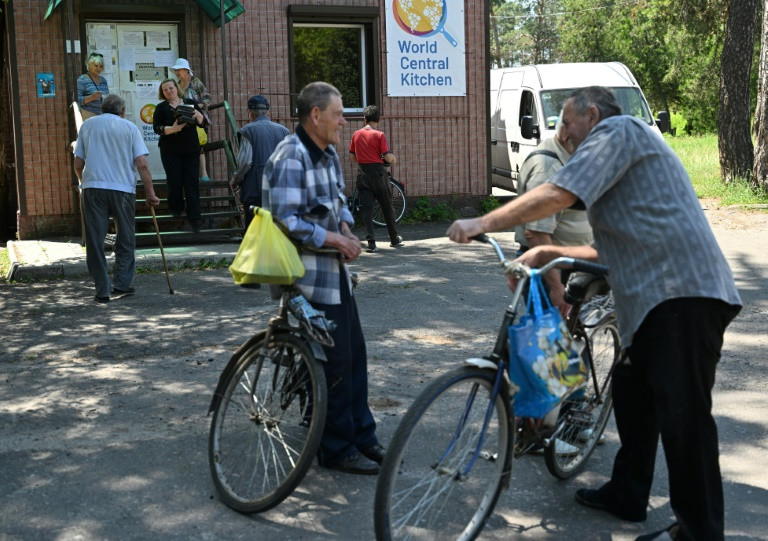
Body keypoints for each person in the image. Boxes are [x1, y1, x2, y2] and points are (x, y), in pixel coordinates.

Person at [447, 86, 742, 541]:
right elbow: (605, 249)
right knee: (629, 390)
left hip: (684, 294)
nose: (562, 134)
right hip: (657, 305)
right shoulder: (619, 175)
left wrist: (483, 222)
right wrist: (550, 252)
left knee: (685, 421)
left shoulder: (619, 129)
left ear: (591, 114)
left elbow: (557, 193)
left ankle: (699, 533)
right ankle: (628, 493)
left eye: (566, 122)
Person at [263, 81, 384, 475]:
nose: (343, 123)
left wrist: (347, 229)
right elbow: (285, 218)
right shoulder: (289, 155)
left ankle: (363, 436)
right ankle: (336, 449)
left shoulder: (328, 153)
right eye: (337, 114)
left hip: (335, 274)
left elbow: (338, 201)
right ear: (315, 115)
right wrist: (332, 238)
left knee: (355, 355)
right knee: (335, 364)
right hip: (306, 277)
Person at [73, 94, 160, 302]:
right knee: (126, 237)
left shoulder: (88, 126)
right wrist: (150, 193)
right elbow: (142, 164)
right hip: (122, 189)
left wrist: (83, 182)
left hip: (94, 188)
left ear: (102, 109)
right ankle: (121, 283)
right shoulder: (130, 128)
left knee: (95, 240)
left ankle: (102, 290)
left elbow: (78, 164)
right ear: (122, 111)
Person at [515, 115, 592, 316]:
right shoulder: (548, 169)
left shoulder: (569, 158)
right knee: (549, 340)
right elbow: (536, 233)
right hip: (550, 270)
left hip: (574, 264)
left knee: (567, 335)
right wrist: (557, 287)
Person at [153, 78, 208, 233]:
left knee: (192, 183)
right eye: (165, 90)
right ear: (162, 93)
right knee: (174, 181)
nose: (169, 91)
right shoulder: (161, 108)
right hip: (170, 151)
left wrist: (198, 114)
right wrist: (173, 129)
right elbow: (157, 128)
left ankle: (195, 218)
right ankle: (176, 210)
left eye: (171, 88)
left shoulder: (189, 102)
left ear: (176, 88)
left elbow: (202, 123)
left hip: (190, 149)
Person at [349, 105, 403, 253]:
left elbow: (352, 157)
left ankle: (371, 243)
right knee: (387, 206)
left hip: (363, 173)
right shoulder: (379, 135)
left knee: (366, 209)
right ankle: (394, 239)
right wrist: (393, 159)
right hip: (378, 174)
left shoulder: (356, 134)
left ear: (364, 118)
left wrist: (365, 157)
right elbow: (386, 155)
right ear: (378, 119)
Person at [230, 94, 289, 229]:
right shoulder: (284, 131)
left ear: (250, 112)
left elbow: (245, 162)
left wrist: (235, 181)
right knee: (276, 232)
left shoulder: (247, 131)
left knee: (254, 233)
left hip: (254, 190)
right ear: (268, 111)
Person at [172, 58, 212, 181]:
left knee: (199, 146)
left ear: (186, 70)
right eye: (176, 70)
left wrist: (197, 107)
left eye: (179, 69)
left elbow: (207, 98)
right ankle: (188, 174)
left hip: (197, 118)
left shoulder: (196, 82)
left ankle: (204, 174)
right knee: (185, 146)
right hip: (184, 118)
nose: (177, 72)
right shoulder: (177, 85)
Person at [76, 52, 109, 119]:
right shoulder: (82, 80)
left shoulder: (103, 80)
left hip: (103, 115)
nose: (98, 69)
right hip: (88, 115)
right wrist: (91, 97)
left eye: (101, 66)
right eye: (96, 66)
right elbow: (76, 100)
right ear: (89, 65)